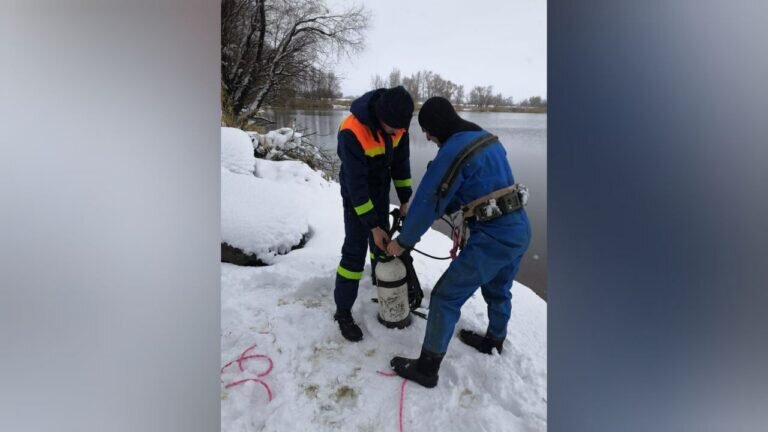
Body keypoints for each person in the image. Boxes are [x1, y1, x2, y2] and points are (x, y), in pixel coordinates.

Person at [385, 96, 531, 388]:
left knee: (445, 297)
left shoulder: (452, 151)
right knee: (498, 288)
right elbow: (481, 183)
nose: (426, 136)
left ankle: (426, 370)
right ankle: (494, 340)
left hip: (493, 238)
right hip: (518, 229)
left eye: (427, 130)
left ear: (437, 125)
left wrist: (403, 242)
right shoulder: (485, 139)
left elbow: (428, 201)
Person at [334, 86, 415, 342]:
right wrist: (372, 225)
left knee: (380, 246)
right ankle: (343, 312)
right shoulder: (352, 131)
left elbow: (401, 165)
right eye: (393, 129)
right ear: (380, 118)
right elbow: (356, 186)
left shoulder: (399, 127)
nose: (397, 134)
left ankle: (380, 281)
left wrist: (405, 199)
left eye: (401, 129)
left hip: (381, 192)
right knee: (354, 252)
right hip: (356, 196)